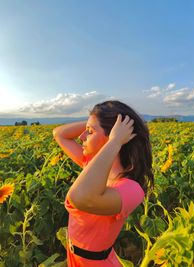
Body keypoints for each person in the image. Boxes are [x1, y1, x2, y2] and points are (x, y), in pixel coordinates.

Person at [53, 100, 154, 267]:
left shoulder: (131, 189)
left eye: (89, 132)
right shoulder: (92, 166)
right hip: (75, 258)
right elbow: (59, 134)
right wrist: (94, 122)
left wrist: (114, 141)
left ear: (115, 136)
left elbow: (80, 197)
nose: (81, 137)